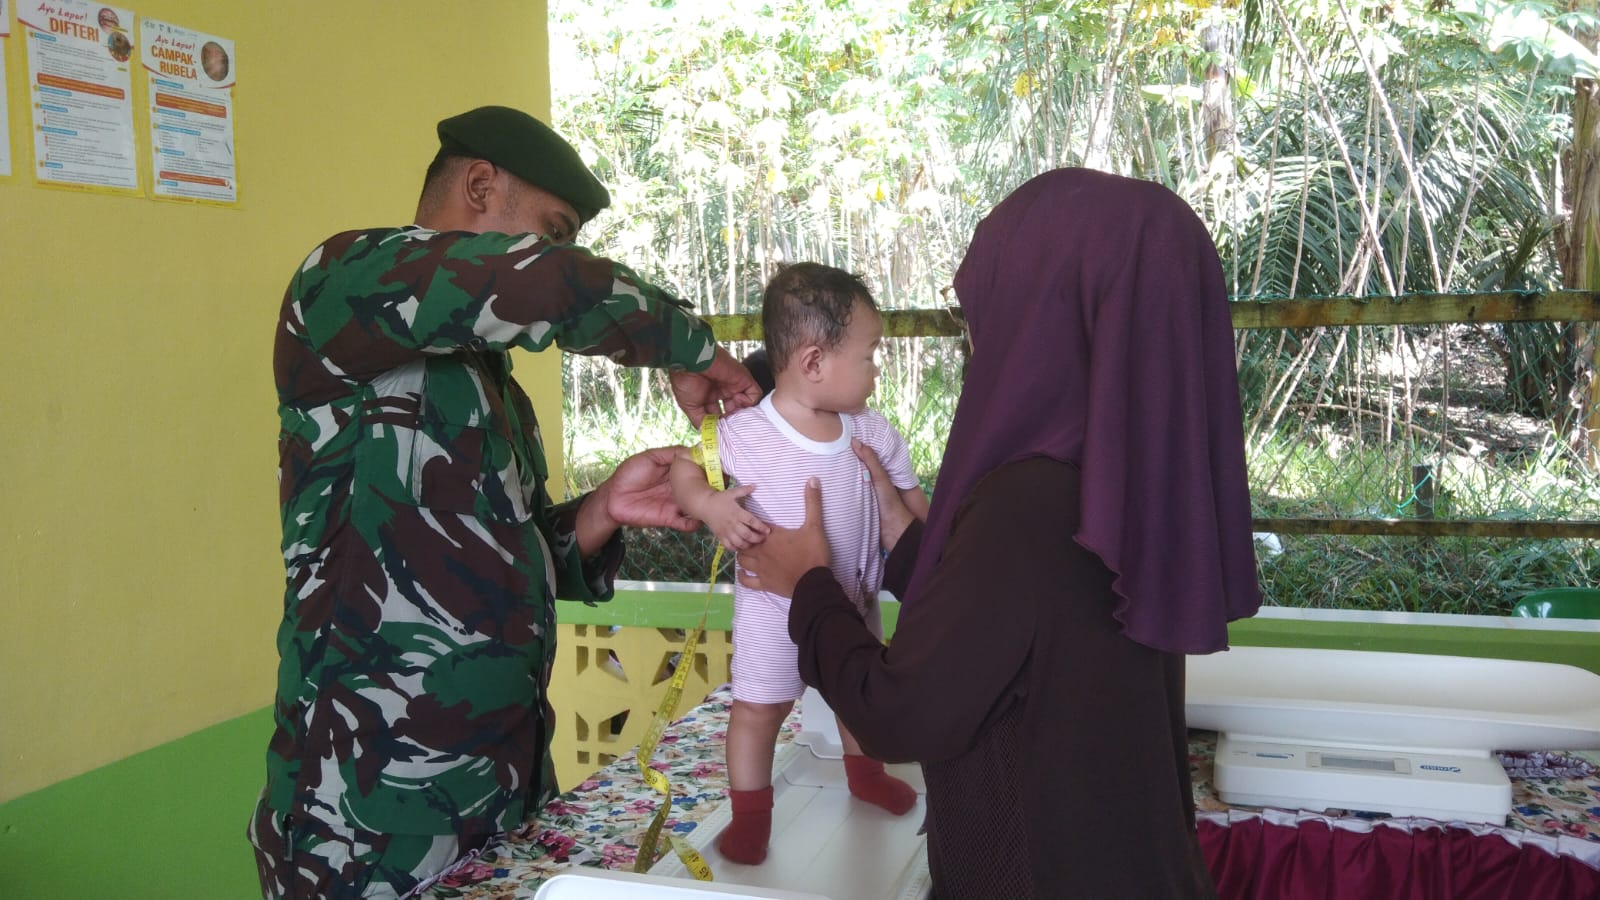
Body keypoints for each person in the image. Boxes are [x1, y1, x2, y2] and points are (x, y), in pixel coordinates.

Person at [249, 105, 760, 899]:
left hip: (503, 788)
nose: (558, 255)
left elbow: (497, 562)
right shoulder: (341, 285)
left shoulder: (489, 381)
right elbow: (549, 284)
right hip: (365, 818)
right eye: (553, 233)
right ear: (481, 186)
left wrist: (601, 512)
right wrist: (688, 346)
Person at [738, 168, 1263, 898]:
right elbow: (1035, 625)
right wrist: (906, 541)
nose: (978, 331)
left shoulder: (1029, 499)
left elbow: (900, 714)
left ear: (1038, 310)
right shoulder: (1133, 476)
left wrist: (809, 587)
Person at [669, 263, 930, 865]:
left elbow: (914, 505)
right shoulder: (743, 433)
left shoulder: (872, 431)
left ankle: (866, 776)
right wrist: (708, 505)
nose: (877, 369)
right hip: (771, 611)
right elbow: (685, 467)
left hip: (853, 603)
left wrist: (943, 547)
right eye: (869, 355)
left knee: (858, 695)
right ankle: (750, 817)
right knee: (759, 712)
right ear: (813, 362)